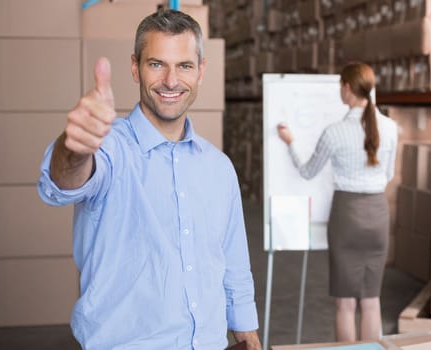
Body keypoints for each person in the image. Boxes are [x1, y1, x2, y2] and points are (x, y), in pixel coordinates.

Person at [37, 9, 261, 350]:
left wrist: (245, 328)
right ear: (135, 68)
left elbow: (233, 260)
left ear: (200, 72)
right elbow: (63, 184)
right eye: (157, 64)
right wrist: (75, 148)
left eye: (184, 66)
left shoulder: (219, 167)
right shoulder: (110, 148)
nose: (171, 81)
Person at [276, 62, 398, 342]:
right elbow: (389, 175)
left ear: (346, 88)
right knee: (371, 300)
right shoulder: (391, 128)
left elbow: (307, 171)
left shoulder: (334, 132)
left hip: (347, 216)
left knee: (345, 303)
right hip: (378, 215)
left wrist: (291, 142)